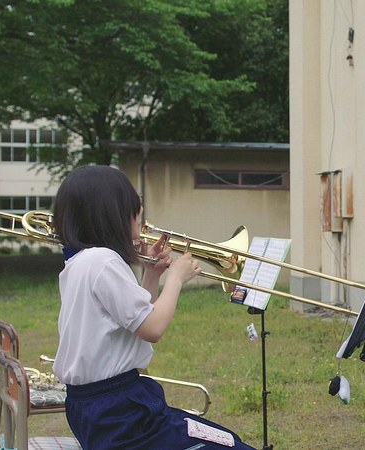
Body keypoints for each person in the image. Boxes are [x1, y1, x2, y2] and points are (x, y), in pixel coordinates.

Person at [51, 165, 256, 449]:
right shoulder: (103, 261)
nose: (141, 220)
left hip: (101, 407)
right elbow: (152, 328)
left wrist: (152, 274)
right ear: (113, 216)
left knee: (221, 438)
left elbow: (133, 320)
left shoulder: (81, 262)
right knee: (230, 445)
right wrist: (176, 279)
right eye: (136, 213)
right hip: (120, 409)